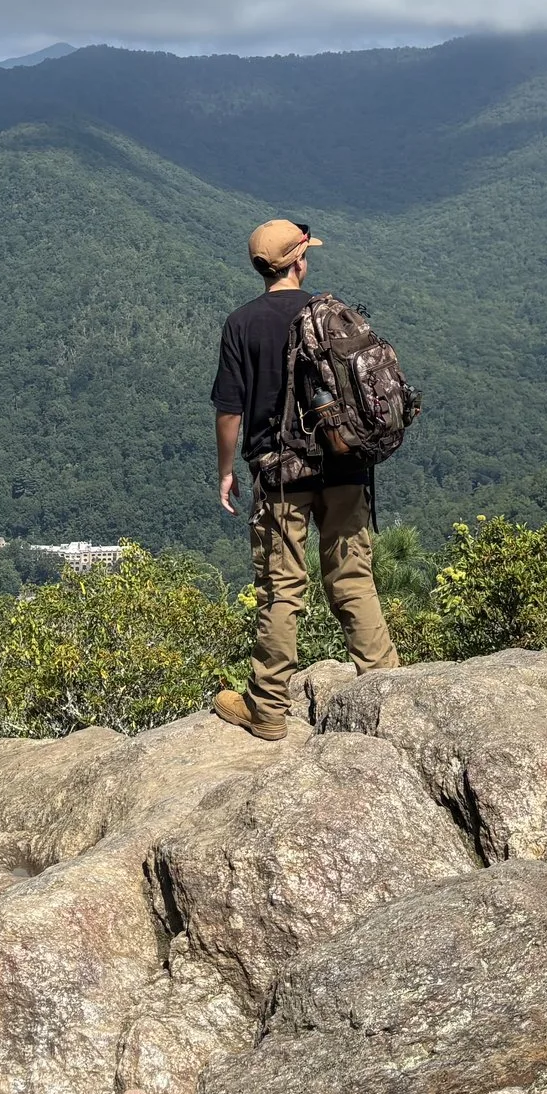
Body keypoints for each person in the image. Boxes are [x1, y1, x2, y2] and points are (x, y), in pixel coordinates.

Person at [208, 218, 400, 741]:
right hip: (345, 467)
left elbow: (229, 411)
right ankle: (390, 694)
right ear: (299, 261)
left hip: (281, 478)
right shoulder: (332, 315)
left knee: (280, 589)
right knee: (354, 580)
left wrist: (226, 470)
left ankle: (267, 710)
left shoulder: (242, 324)